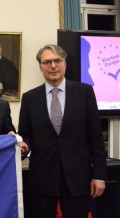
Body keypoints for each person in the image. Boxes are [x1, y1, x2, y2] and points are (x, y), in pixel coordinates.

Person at [18, 44, 107, 218]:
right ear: (40, 67)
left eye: (57, 61)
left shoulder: (85, 93)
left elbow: (96, 137)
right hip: (42, 178)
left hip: (78, 178)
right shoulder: (29, 98)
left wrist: (99, 175)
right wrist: (23, 145)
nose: (53, 66)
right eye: (47, 62)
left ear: (65, 64)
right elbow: (26, 134)